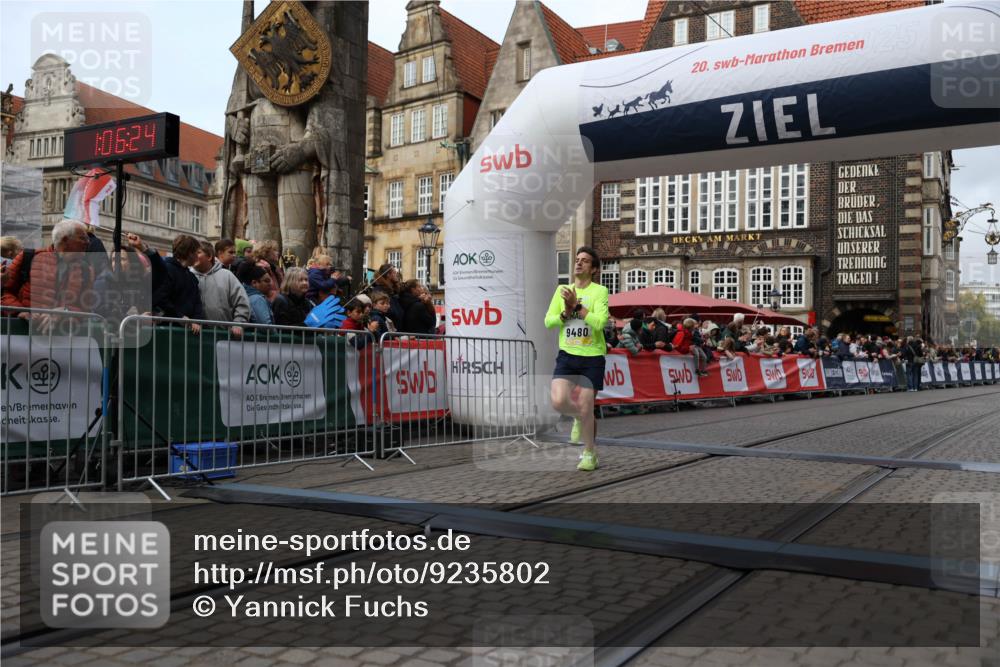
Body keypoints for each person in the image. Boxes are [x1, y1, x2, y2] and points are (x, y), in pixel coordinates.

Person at [544, 246, 609, 472]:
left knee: (586, 405)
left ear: (594, 269)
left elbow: (600, 323)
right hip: (568, 355)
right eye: (577, 259)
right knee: (558, 401)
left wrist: (577, 307)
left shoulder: (600, 291)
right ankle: (579, 418)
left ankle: (589, 453)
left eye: (585, 261)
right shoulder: (562, 290)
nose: (579, 263)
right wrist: (565, 313)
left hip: (592, 356)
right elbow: (549, 321)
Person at [0, 220, 95, 330]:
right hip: (21, 334)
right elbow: (5, 292)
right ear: (65, 240)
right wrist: (20, 311)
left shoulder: (86, 270)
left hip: (62, 337)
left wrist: (65, 312)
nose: (88, 242)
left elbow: (85, 308)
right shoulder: (27, 257)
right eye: (83, 238)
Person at [191, 241, 250, 336]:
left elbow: (242, 302)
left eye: (198, 252)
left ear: (209, 256)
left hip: (225, 336)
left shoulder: (227, 276)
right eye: (192, 252)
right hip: (194, 336)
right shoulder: (188, 276)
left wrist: (239, 323)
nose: (193, 256)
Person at [152, 234, 204, 333]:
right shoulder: (166, 270)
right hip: (167, 330)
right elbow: (161, 299)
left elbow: (197, 301)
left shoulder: (191, 277)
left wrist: (196, 321)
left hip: (189, 331)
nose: (198, 256)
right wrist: (179, 316)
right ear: (190, 253)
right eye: (196, 252)